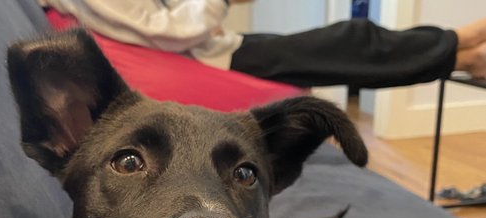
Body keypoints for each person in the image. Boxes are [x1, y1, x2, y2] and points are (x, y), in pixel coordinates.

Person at [38, 0, 486, 88]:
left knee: (344, 50)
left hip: (219, 49)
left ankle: (461, 56)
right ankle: (462, 44)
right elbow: (167, 30)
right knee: (350, 40)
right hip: (214, 59)